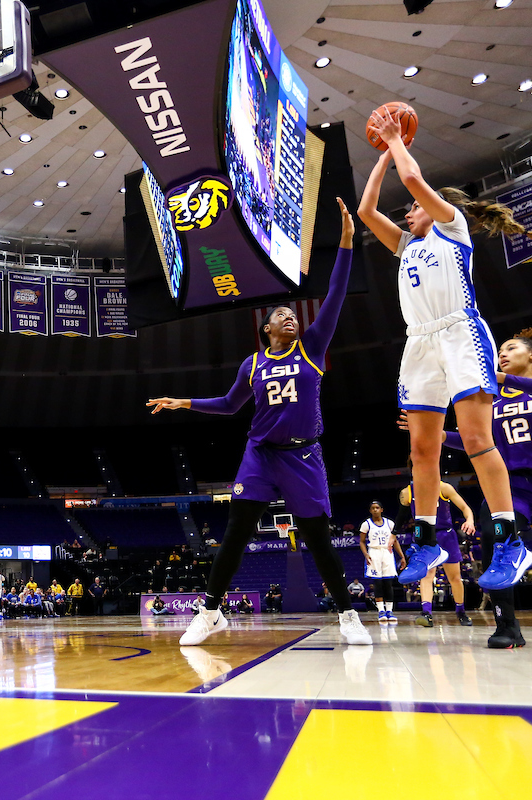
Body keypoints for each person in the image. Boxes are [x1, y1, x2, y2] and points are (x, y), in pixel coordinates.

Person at [147, 199, 372, 647]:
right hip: (260, 455)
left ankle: (348, 615)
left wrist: (346, 242)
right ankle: (210, 613)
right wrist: (183, 402)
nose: (290, 318)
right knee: (235, 532)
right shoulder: (252, 364)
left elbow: (335, 294)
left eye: (293, 315)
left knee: (317, 538)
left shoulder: (312, 347)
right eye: (281, 316)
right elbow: (230, 405)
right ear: (267, 329)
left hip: (304, 455)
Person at [359, 110, 532, 591]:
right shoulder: (406, 245)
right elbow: (367, 212)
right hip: (419, 341)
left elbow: (413, 179)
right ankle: (426, 542)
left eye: (413, 208)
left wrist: (396, 142)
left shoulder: (452, 226)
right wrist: (383, 155)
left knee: (477, 438)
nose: (407, 212)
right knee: (422, 449)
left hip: (460, 334)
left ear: (436, 206)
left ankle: (510, 542)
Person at [422, 327, 532, 647]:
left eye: (510, 348)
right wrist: (438, 436)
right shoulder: (491, 398)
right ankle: (506, 627)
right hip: (513, 483)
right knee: (494, 535)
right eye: (500, 351)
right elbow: (475, 440)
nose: (502, 354)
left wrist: (503, 379)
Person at [399, 481, 475, 628]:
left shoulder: (444, 487)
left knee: (454, 577)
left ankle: (461, 612)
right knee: (427, 575)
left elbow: (465, 507)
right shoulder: (408, 491)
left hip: (446, 535)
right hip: (425, 536)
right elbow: (401, 516)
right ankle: (426, 613)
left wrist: (470, 520)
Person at [358, 500, 406, 624]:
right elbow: (361, 541)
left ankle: (389, 611)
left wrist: (402, 557)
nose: (375, 510)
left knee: (388, 583)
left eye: (377, 507)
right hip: (374, 552)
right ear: (370, 511)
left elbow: (395, 541)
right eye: (373, 508)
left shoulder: (390, 523)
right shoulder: (366, 524)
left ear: (381, 509)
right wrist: (366, 554)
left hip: (387, 552)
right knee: (377, 583)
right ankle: (381, 611)